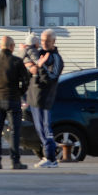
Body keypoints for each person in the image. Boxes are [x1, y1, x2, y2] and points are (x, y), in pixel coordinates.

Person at [0, 35, 31, 170]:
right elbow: (26, 80)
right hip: (13, 100)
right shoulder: (17, 62)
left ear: (0, 46)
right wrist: (20, 92)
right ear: (12, 47)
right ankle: (15, 161)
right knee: (15, 131)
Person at [26, 29, 64, 168]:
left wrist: (40, 67)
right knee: (39, 129)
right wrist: (31, 66)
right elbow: (27, 63)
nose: (44, 43)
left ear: (54, 41)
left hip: (46, 99)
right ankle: (47, 156)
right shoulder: (39, 54)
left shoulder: (56, 58)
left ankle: (51, 158)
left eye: (47, 41)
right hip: (35, 97)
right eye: (42, 40)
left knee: (46, 128)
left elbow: (52, 78)